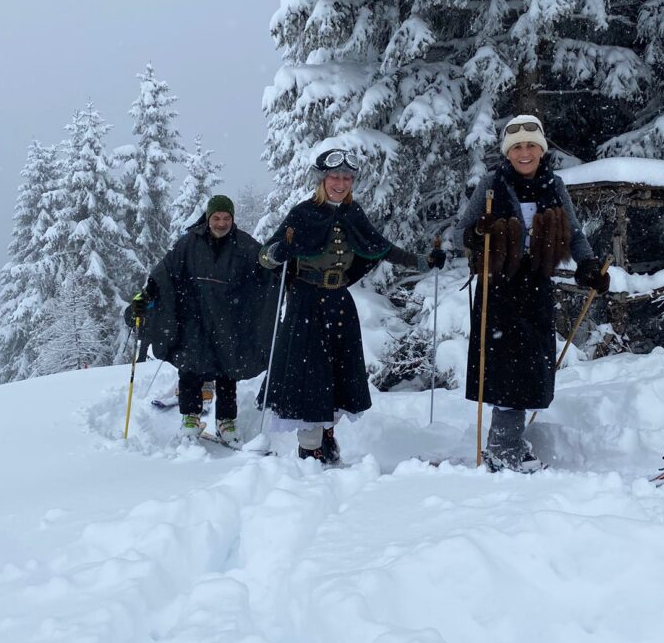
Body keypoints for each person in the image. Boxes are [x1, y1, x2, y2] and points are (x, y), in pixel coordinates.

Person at [258, 148, 446, 464]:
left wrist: (423, 262)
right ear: (322, 179)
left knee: (338, 372)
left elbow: (382, 249)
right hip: (306, 302)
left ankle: (327, 432)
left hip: (338, 301)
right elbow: (265, 257)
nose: (341, 183)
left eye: (347, 177)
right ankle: (309, 445)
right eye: (335, 176)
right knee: (310, 374)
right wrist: (282, 249)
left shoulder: (352, 214)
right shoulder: (302, 214)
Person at [458, 115, 610, 472]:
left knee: (532, 367)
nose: (524, 153)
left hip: (537, 285)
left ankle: (505, 443)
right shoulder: (492, 185)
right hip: (498, 286)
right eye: (517, 147)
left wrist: (587, 266)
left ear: (541, 150)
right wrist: (479, 232)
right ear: (507, 153)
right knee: (504, 369)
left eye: (531, 146)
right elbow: (461, 233)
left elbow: (574, 234)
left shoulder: (554, 186)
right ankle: (505, 449)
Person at [131, 194, 278, 444]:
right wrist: (146, 294)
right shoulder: (189, 244)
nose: (221, 223)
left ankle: (226, 421)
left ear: (233, 218)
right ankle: (191, 417)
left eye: (226, 218)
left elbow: (265, 272)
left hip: (229, 320)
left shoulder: (245, 245)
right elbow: (165, 272)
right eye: (217, 218)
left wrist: (280, 265)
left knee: (227, 370)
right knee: (190, 369)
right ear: (208, 218)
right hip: (194, 319)